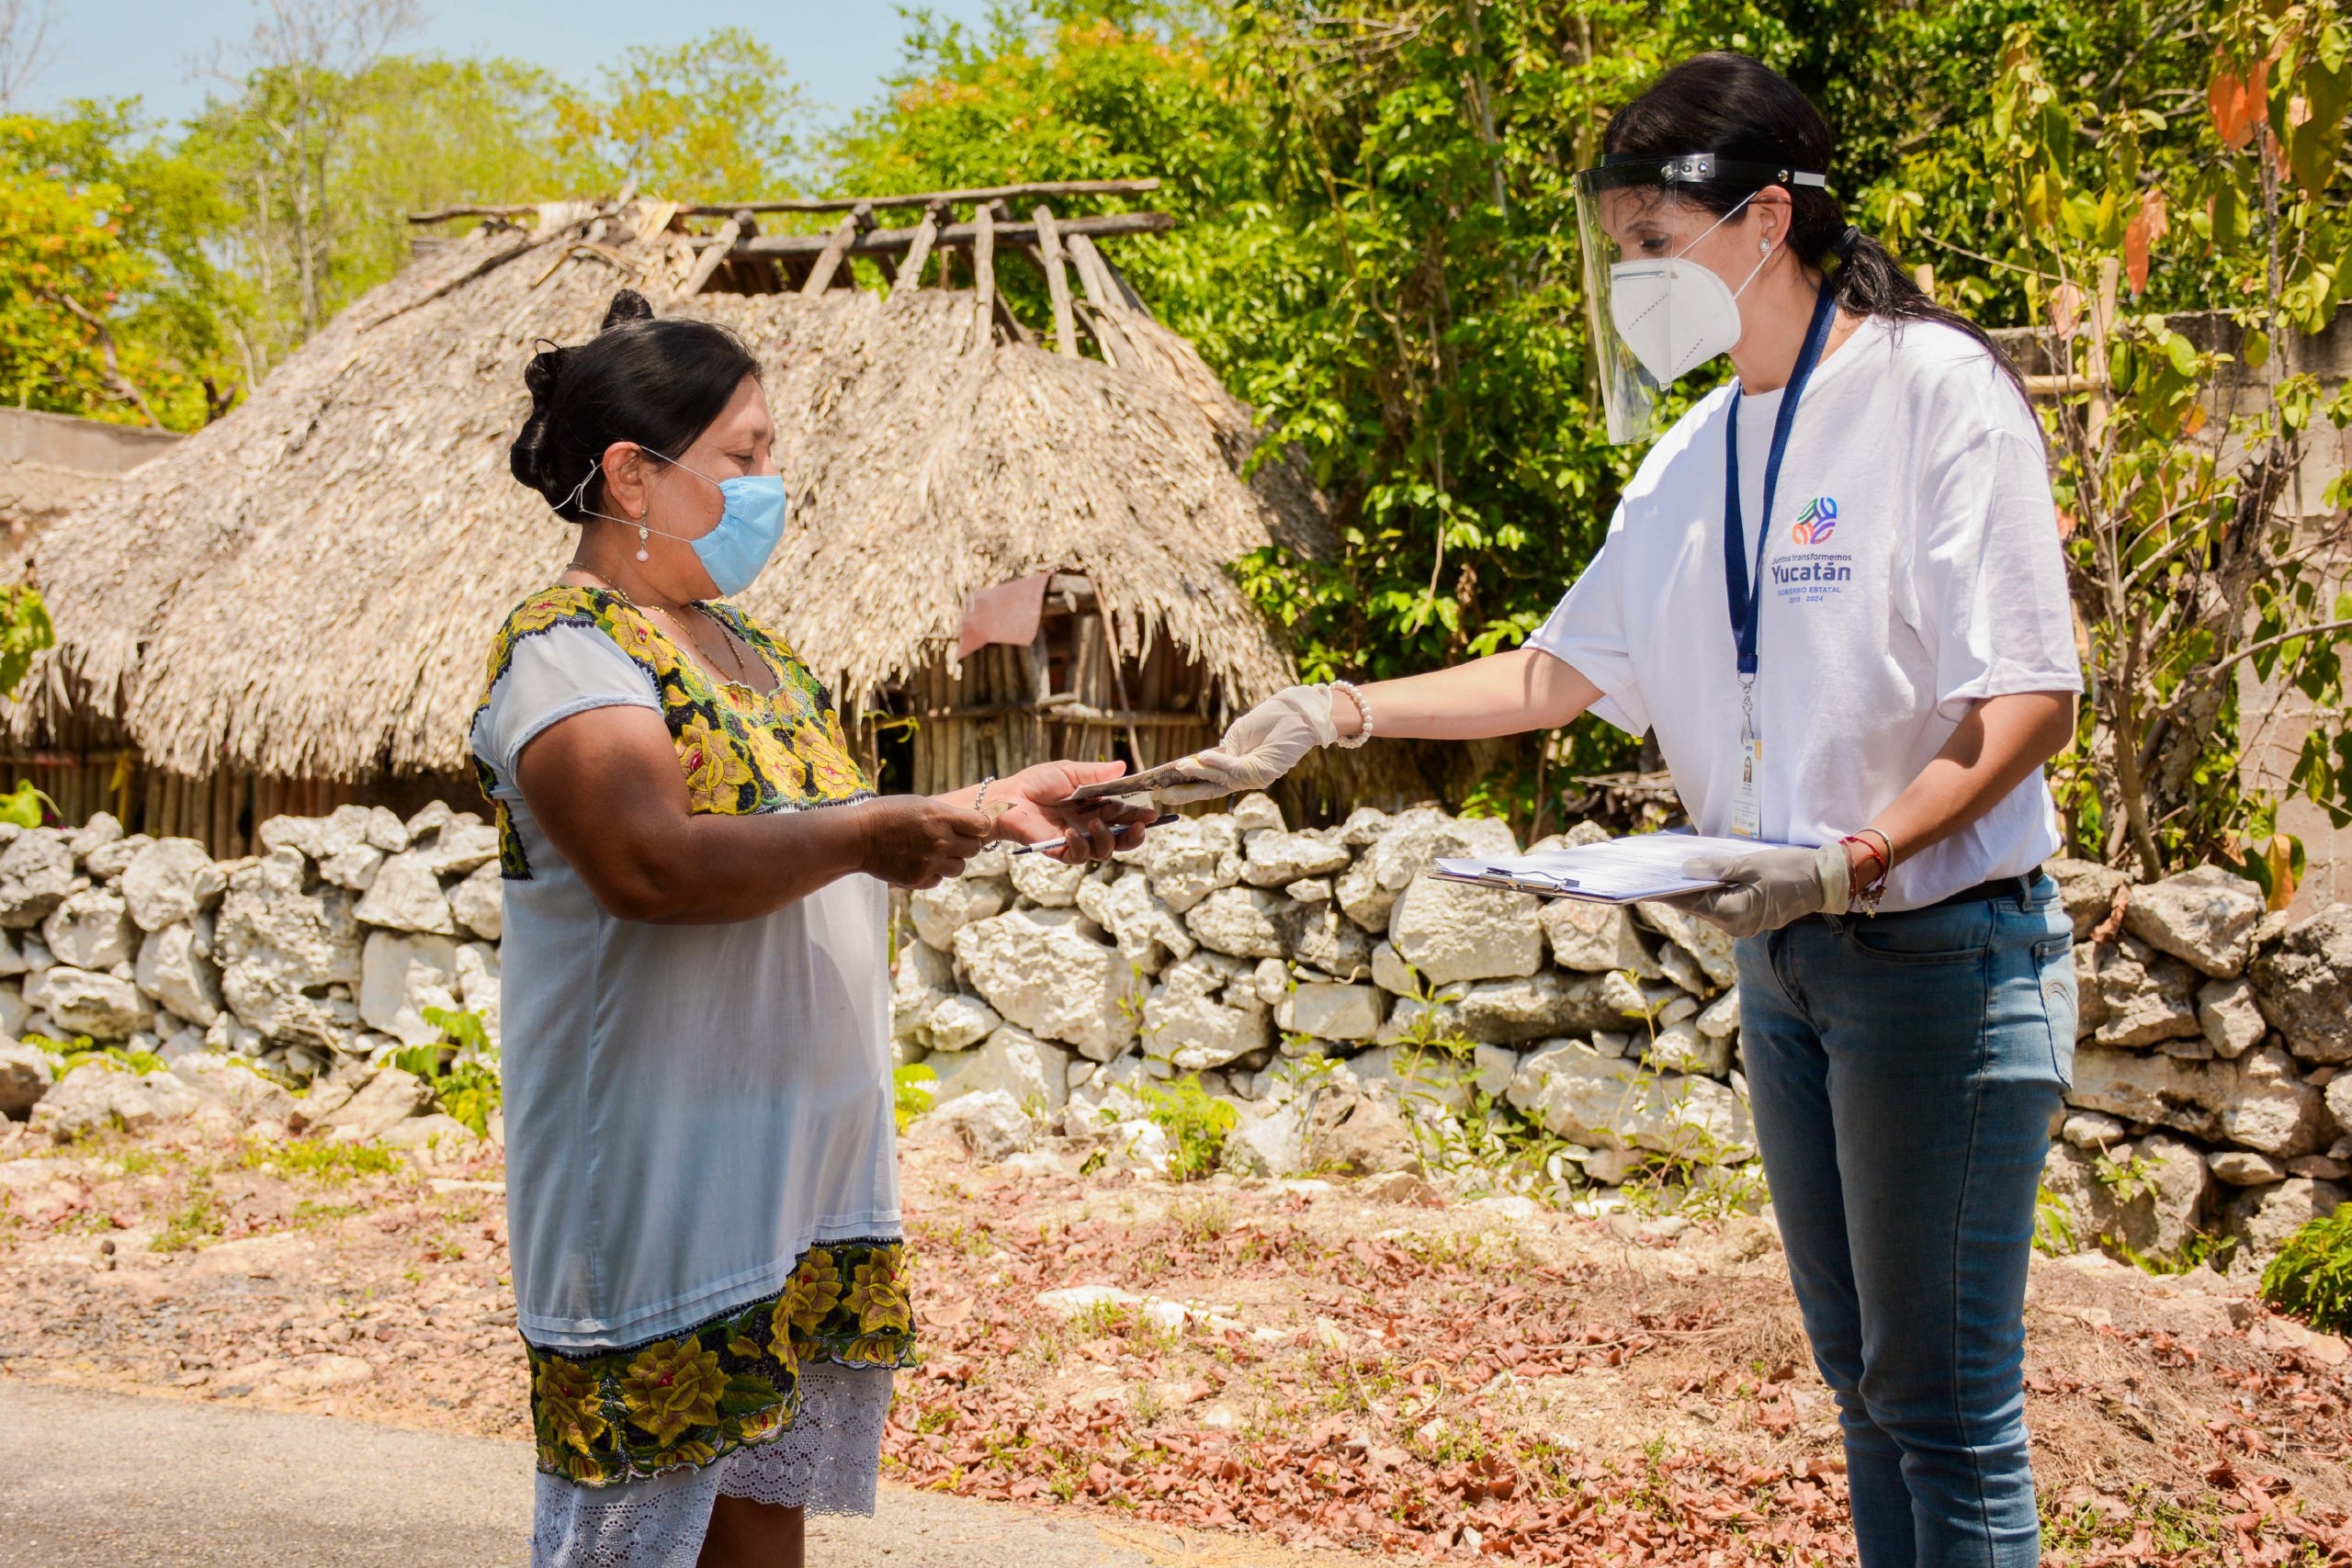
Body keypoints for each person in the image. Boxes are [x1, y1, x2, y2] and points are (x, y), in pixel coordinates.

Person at [1170, 53, 2080, 1568]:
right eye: (1620, 254)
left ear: (1769, 217)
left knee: (1947, 1399)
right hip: (1788, 968)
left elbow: (2030, 703)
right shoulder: (1689, 451)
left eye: (1654, 246)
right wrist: (1336, 711)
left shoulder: (1933, 394)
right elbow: (1553, 674)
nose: (1634, 280)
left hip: (1938, 955)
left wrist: (1848, 858)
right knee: (1862, 1386)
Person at [483, 288, 1151, 1568]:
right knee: (636, 1530)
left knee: (757, 1509)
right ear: (633, 473)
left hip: (792, 1168)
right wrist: (865, 834)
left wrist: (995, 809)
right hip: (660, 1174)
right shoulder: (567, 654)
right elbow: (653, 867)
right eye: (744, 456)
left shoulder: (756, 657)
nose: (771, 483)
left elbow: (817, 846)